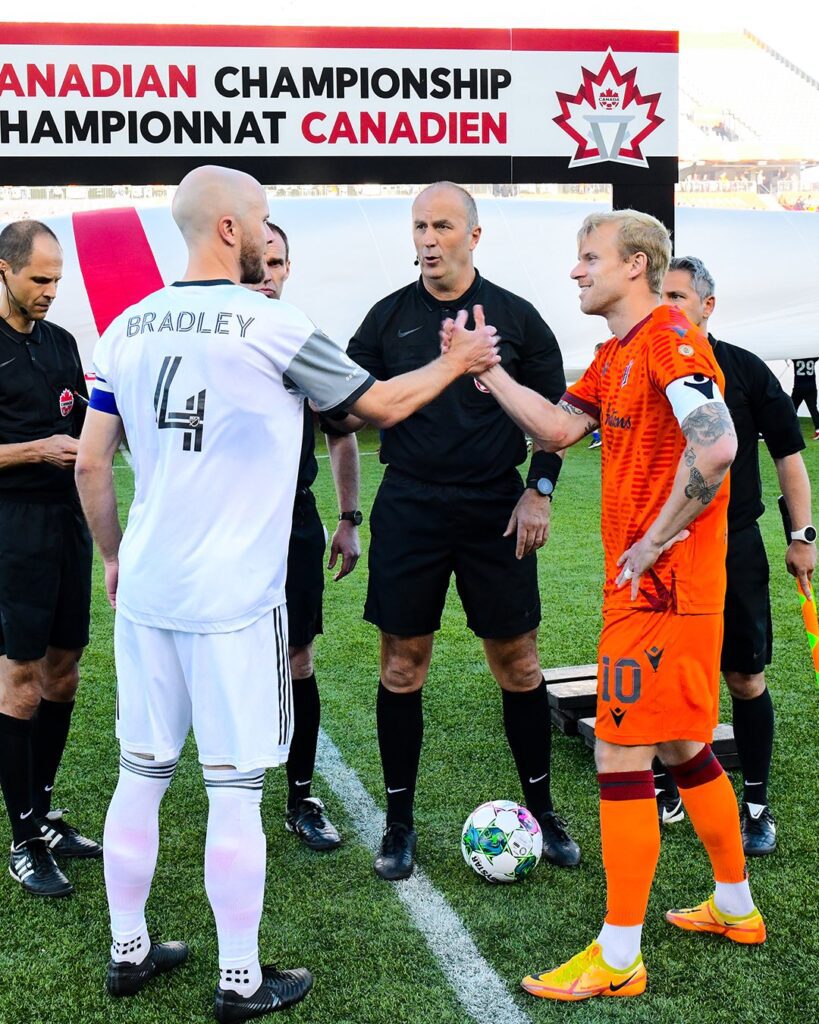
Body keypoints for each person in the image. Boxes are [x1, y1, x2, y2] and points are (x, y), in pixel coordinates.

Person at [75, 165, 499, 1023]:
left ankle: (128, 951)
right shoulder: (272, 324)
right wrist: (457, 363)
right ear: (230, 228)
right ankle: (240, 980)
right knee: (233, 789)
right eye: (262, 221)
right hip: (232, 600)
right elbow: (377, 405)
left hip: (150, 586)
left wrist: (115, 559)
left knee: (141, 774)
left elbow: (90, 463)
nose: (269, 238)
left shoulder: (123, 326)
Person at [470, 209, 764, 1002]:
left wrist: (658, 536)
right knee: (677, 746)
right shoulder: (616, 353)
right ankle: (734, 905)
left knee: (619, 753)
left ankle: (618, 954)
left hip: (660, 591)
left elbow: (719, 444)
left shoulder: (670, 336)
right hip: (657, 591)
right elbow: (558, 430)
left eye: (587, 256)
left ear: (634, 264)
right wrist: (486, 372)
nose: (575, 270)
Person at [347, 181, 580, 882]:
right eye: (418, 225)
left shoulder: (517, 317)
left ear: (472, 236)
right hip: (410, 505)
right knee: (401, 665)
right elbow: (353, 407)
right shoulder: (388, 320)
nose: (426, 238)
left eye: (441, 225)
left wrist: (538, 491)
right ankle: (398, 822)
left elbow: (552, 417)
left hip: (492, 506)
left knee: (517, 663)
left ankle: (541, 808)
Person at [657, 256, 815, 853]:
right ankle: (671, 788)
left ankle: (754, 805)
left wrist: (802, 536)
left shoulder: (743, 370)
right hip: (664, 548)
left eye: (678, 296)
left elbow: (788, 458)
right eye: (661, 297)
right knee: (667, 672)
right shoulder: (645, 364)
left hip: (733, 545)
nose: (668, 308)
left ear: (707, 305)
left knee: (744, 676)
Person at [249, 222, 361, 850]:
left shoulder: (303, 339)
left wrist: (347, 519)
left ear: (289, 268)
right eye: (258, 262)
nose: (268, 274)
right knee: (231, 661)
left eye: (278, 262)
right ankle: (230, 788)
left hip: (291, 522)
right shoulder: (222, 338)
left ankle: (300, 796)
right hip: (228, 522)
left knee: (297, 659)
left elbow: (342, 431)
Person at [0, 219, 101, 900]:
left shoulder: (62, 343)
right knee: (21, 680)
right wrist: (36, 450)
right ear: (4, 271)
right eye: (39, 279)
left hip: (68, 521)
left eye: (57, 279)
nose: (50, 291)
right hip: (12, 526)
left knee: (64, 672)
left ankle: (43, 808)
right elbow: (44, 442)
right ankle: (24, 839)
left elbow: (90, 420)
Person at [789, 353, 819, 440]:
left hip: (799, 387)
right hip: (811, 387)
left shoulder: (796, 356)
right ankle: (818, 429)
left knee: (792, 409)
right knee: (813, 409)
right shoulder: (812, 357)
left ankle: (790, 430)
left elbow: (788, 353)